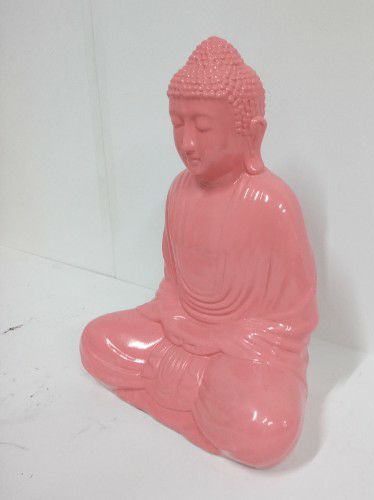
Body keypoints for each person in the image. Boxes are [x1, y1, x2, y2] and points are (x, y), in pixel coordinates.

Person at [80, 36, 318, 468]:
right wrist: (176, 321)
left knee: (268, 429)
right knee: (97, 340)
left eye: (203, 127)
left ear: (251, 132)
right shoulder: (179, 191)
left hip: (243, 355)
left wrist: (219, 340)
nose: (187, 142)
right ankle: (195, 401)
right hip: (177, 332)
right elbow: (172, 283)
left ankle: (180, 391)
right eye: (177, 123)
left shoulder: (273, 203)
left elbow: (293, 321)